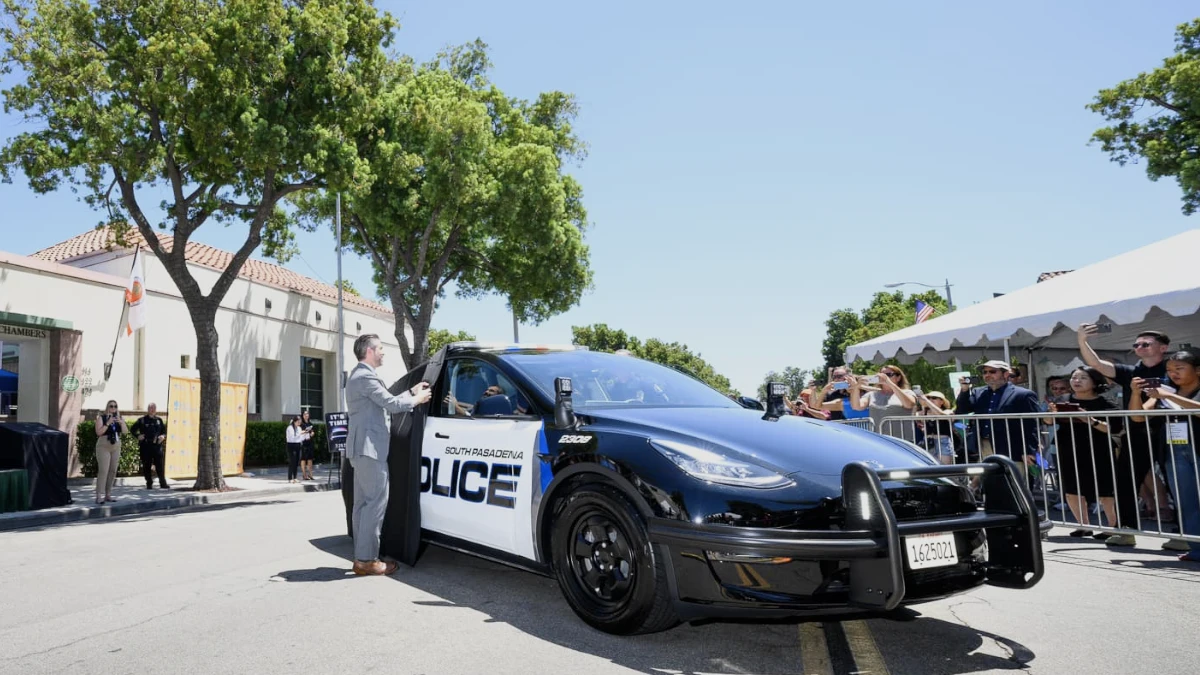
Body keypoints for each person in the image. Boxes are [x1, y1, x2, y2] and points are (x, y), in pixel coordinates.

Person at [345, 333, 432, 576]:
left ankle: (362, 557)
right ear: (370, 351)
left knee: (363, 505)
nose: (383, 352)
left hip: (362, 450)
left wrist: (410, 392)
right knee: (374, 504)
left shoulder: (359, 377)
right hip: (370, 450)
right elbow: (392, 406)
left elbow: (384, 402)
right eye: (381, 348)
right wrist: (417, 399)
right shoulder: (365, 377)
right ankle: (368, 560)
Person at [1078, 325, 1170, 548]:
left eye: (1145, 344)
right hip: (1137, 432)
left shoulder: (1174, 369)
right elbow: (1097, 364)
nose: (1139, 348)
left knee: (1178, 482)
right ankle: (1126, 529)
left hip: (1170, 433)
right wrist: (1082, 340)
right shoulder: (1130, 371)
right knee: (1125, 482)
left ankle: (1186, 534)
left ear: (1163, 347)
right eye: (1136, 344)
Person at [1131, 350, 1200, 563]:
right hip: (1175, 450)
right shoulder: (1165, 391)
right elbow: (1137, 416)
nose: (1173, 374)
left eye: (1179, 368)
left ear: (1197, 370)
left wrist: (1168, 396)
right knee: (1186, 501)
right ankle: (1196, 548)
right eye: (1170, 370)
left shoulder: (1168, 393)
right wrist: (1135, 393)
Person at [1044, 367, 1121, 539]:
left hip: (1098, 446)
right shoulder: (1062, 399)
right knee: (1071, 487)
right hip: (1067, 446)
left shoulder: (1105, 402)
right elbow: (1048, 421)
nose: (1076, 381)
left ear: (1094, 382)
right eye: (1074, 377)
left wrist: (1088, 419)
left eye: (1083, 378)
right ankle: (1083, 525)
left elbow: (1114, 428)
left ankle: (1112, 526)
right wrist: (1051, 412)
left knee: (1105, 488)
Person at [955, 360, 1041, 464]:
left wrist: (1029, 450)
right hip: (985, 445)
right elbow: (962, 410)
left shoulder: (1024, 394)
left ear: (1006, 374)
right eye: (984, 372)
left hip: (1013, 447)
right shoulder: (978, 392)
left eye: (992, 371)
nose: (987, 375)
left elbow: (1032, 424)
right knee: (989, 479)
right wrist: (964, 390)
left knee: (1014, 478)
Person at [849, 366, 916, 441]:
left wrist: (889, 383)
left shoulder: (907, 392)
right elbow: (856, 406)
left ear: (898, 378)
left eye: (889, 374)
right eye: (881, 374)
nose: (884, 377)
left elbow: (909, 404)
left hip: (902, 440)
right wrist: (856, 388)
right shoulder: (872, 394)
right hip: (879, 440)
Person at [93, 400, 128, 505]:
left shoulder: (119, 418)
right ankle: (99, 496)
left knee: (112, 470)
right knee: (103, 470)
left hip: (116, 445)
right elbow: (98, 432)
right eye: (111, 406)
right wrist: (107, 423)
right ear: (107, 407)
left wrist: (121, 422)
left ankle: (108, 494)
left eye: (115, 406)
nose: (113, 408)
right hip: (104, 446)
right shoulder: (102, 418)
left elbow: (126, 431)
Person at [131, 403, 169, 490]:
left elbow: (164, 431)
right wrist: (138, 436)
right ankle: (149, 483)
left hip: (157, 446)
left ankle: (163, 483)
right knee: (146, 465)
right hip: (146, 446)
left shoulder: (159, 420)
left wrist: (163, 436)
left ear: (156, 410)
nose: (152, 410)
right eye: (150, 408)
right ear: (148, 409)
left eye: (154, 408)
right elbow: (133, 429)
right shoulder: (142, 420)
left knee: (159, 465)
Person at [916, 391, 957, 465]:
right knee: (928, 467)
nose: (930, 399)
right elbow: (916, 418)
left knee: (944, 468)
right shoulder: (923, 412)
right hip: (928, 442)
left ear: (942, 402)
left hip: (943, 442)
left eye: (934, 398)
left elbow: (941, 414)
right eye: (928, 397)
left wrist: (926, 400)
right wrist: (920, 402)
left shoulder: (948, 411)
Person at [285, 416, 305, 484]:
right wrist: (301, 433)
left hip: (298, 445)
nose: (299, 422)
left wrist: (305, 434)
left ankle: (295, 477)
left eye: (300, 421)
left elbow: (300, 438)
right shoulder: (290, 428)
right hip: (291, 445)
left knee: (296, 462)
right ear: (294, 421)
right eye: (298, 421)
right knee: (292, 461)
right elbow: (292, 437)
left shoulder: (299, 428)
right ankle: (290, 478)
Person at [299, 409, 316, 481]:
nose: (306, 415)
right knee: (303, 459)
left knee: (310, 458)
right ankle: (304, 474)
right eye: (305, 414)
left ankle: (310, 474)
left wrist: (312, 433)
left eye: (307, 414)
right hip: (303, 443)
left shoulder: (310, 423)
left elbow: (312, 431)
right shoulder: (301, 424)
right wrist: (306, 431)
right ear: (302, 416)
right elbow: (299, 432)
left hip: (310, 442)